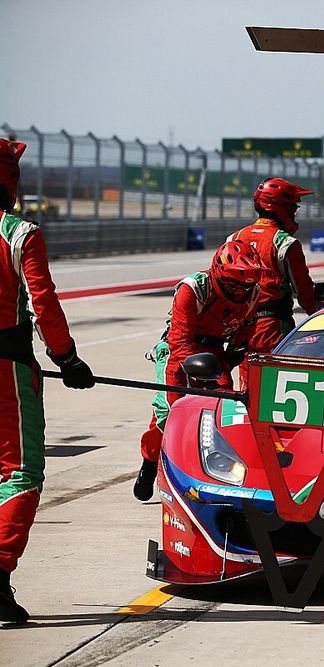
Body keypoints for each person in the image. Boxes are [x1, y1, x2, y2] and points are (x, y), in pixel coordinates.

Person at [0, 138, 95, 623]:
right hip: (7, 371)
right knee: (18, 472)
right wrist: (68, 359)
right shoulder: (18, 234)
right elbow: (43, 302)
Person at [133, 241, 262, 501]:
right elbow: (179, 341)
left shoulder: (253, 293)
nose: (239, 291)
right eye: (233, 284)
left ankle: (219, 473)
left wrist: (229, 359)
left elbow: (245, 333)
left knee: (227, 410)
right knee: (166, 413)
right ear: (218, 272)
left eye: (245, 285)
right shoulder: (192, 289)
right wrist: (189, 384)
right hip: (178, 349)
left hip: (215, 354)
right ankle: (150, 464)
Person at [229, 178, 320, 385]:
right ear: (279, 208)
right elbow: (305, 294)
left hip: (240, 329)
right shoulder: (285, 243)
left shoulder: (234, 238)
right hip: (272, 328)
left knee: (247, 389)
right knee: (276, 388)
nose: (294, 213)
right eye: (292, 208)